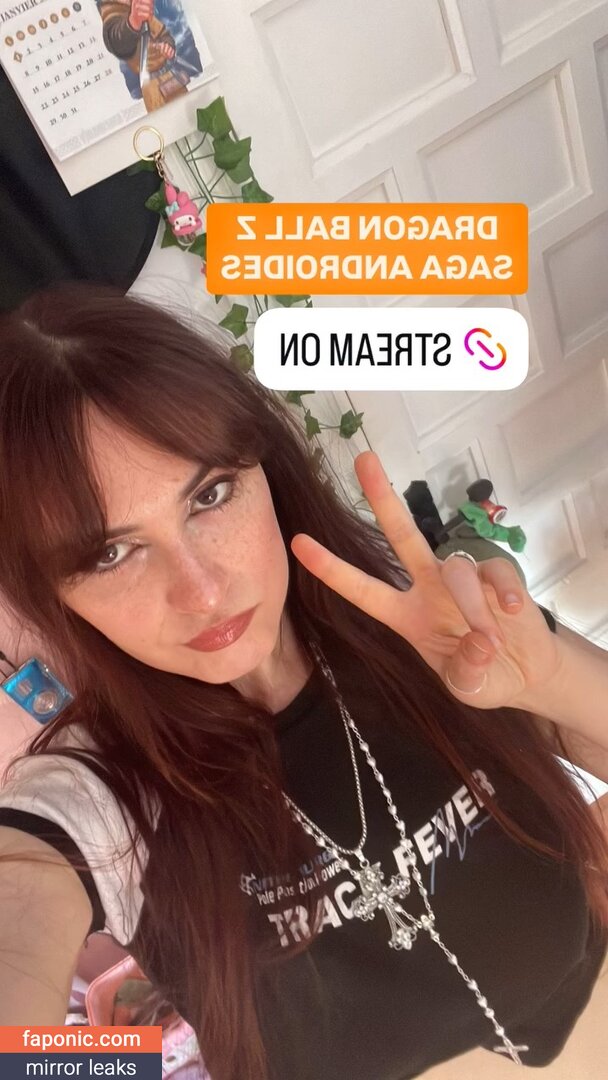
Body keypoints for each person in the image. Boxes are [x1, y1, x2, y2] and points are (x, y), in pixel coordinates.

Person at [0, 283, 607, 1080]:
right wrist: (98, 1065)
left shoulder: (422, 626)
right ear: (55, 593)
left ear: (267, 473)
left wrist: (549, 677)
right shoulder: (100, 791)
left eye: (210, 495)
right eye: (112, 553)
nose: (202, 591)